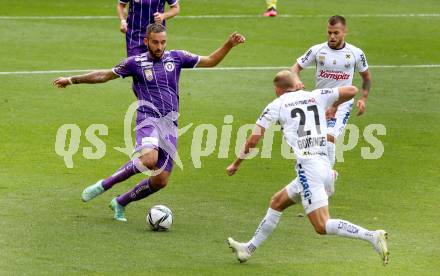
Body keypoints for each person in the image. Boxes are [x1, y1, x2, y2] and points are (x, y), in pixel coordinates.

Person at [53, 23, 245, 222]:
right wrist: (72, 80)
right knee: (149, 160)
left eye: (163, 42)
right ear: (146, 41)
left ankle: (120, 202)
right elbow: (104, 75)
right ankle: (104, 184)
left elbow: (210, 61)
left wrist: (228, 45)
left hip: (170, 124)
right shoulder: (135, 63)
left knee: (161, 180)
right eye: (155, 42)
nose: (159, 46)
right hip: (148, 118)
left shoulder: (177, 57)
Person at [226, 70, 389, 265]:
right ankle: (248, 249)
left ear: (278, 90)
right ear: (297, 84)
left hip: (308, 170)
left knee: (321, 225)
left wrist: (236, 163)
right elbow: (352, 90)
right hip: (324, 164)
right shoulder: (316, 95)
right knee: (277, 202)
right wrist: (334, 106)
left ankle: (371, 235)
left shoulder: (276, 105)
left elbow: (254, 138)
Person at [291, 15, 372, 169]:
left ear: (344, 31)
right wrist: (296, 80)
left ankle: (327, 180)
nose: (332, 36)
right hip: (319, 102)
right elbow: (294, 68)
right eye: (329, 33)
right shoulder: (317, 50)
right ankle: (315, 176)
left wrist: (363, 99)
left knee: (328, 138)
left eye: (336, 33)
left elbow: (366, 78)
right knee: (312, 143)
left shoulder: (356, 53)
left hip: (342, 103)